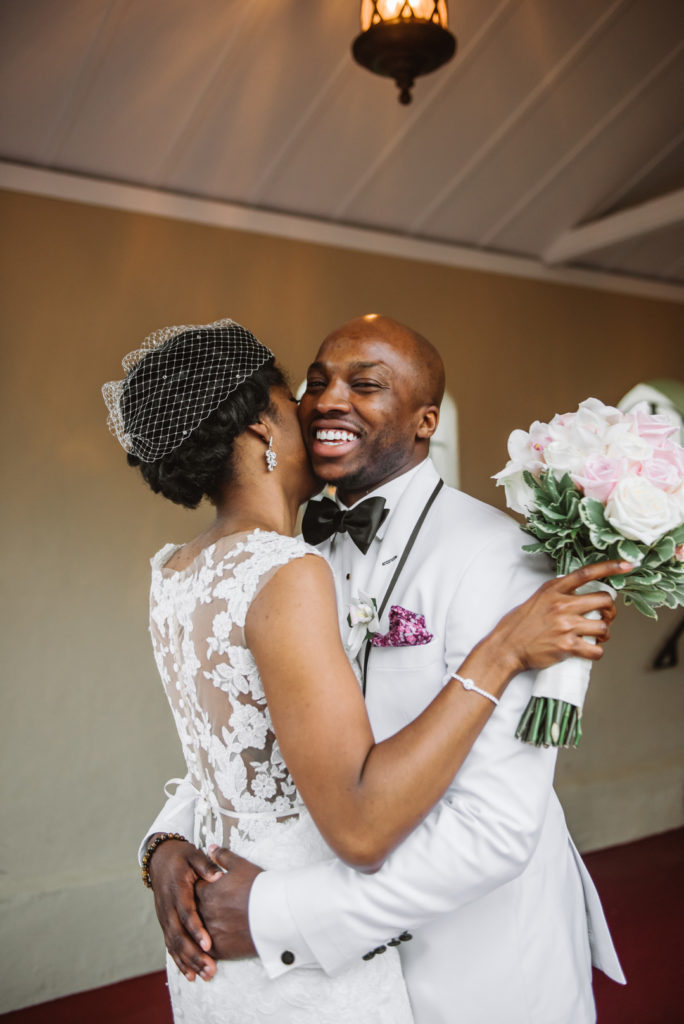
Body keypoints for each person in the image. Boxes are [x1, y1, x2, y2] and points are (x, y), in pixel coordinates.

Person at [118, 316, 627, 1024]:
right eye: (317, 382)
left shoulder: (505, 558)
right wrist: (165, 842)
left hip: (473, 962)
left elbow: (496, 829)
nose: (329, 401)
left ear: (426, 421)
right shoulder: (283, 557)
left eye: (366, 385)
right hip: (337, 973)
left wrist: (281, 913)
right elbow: (254, 739)